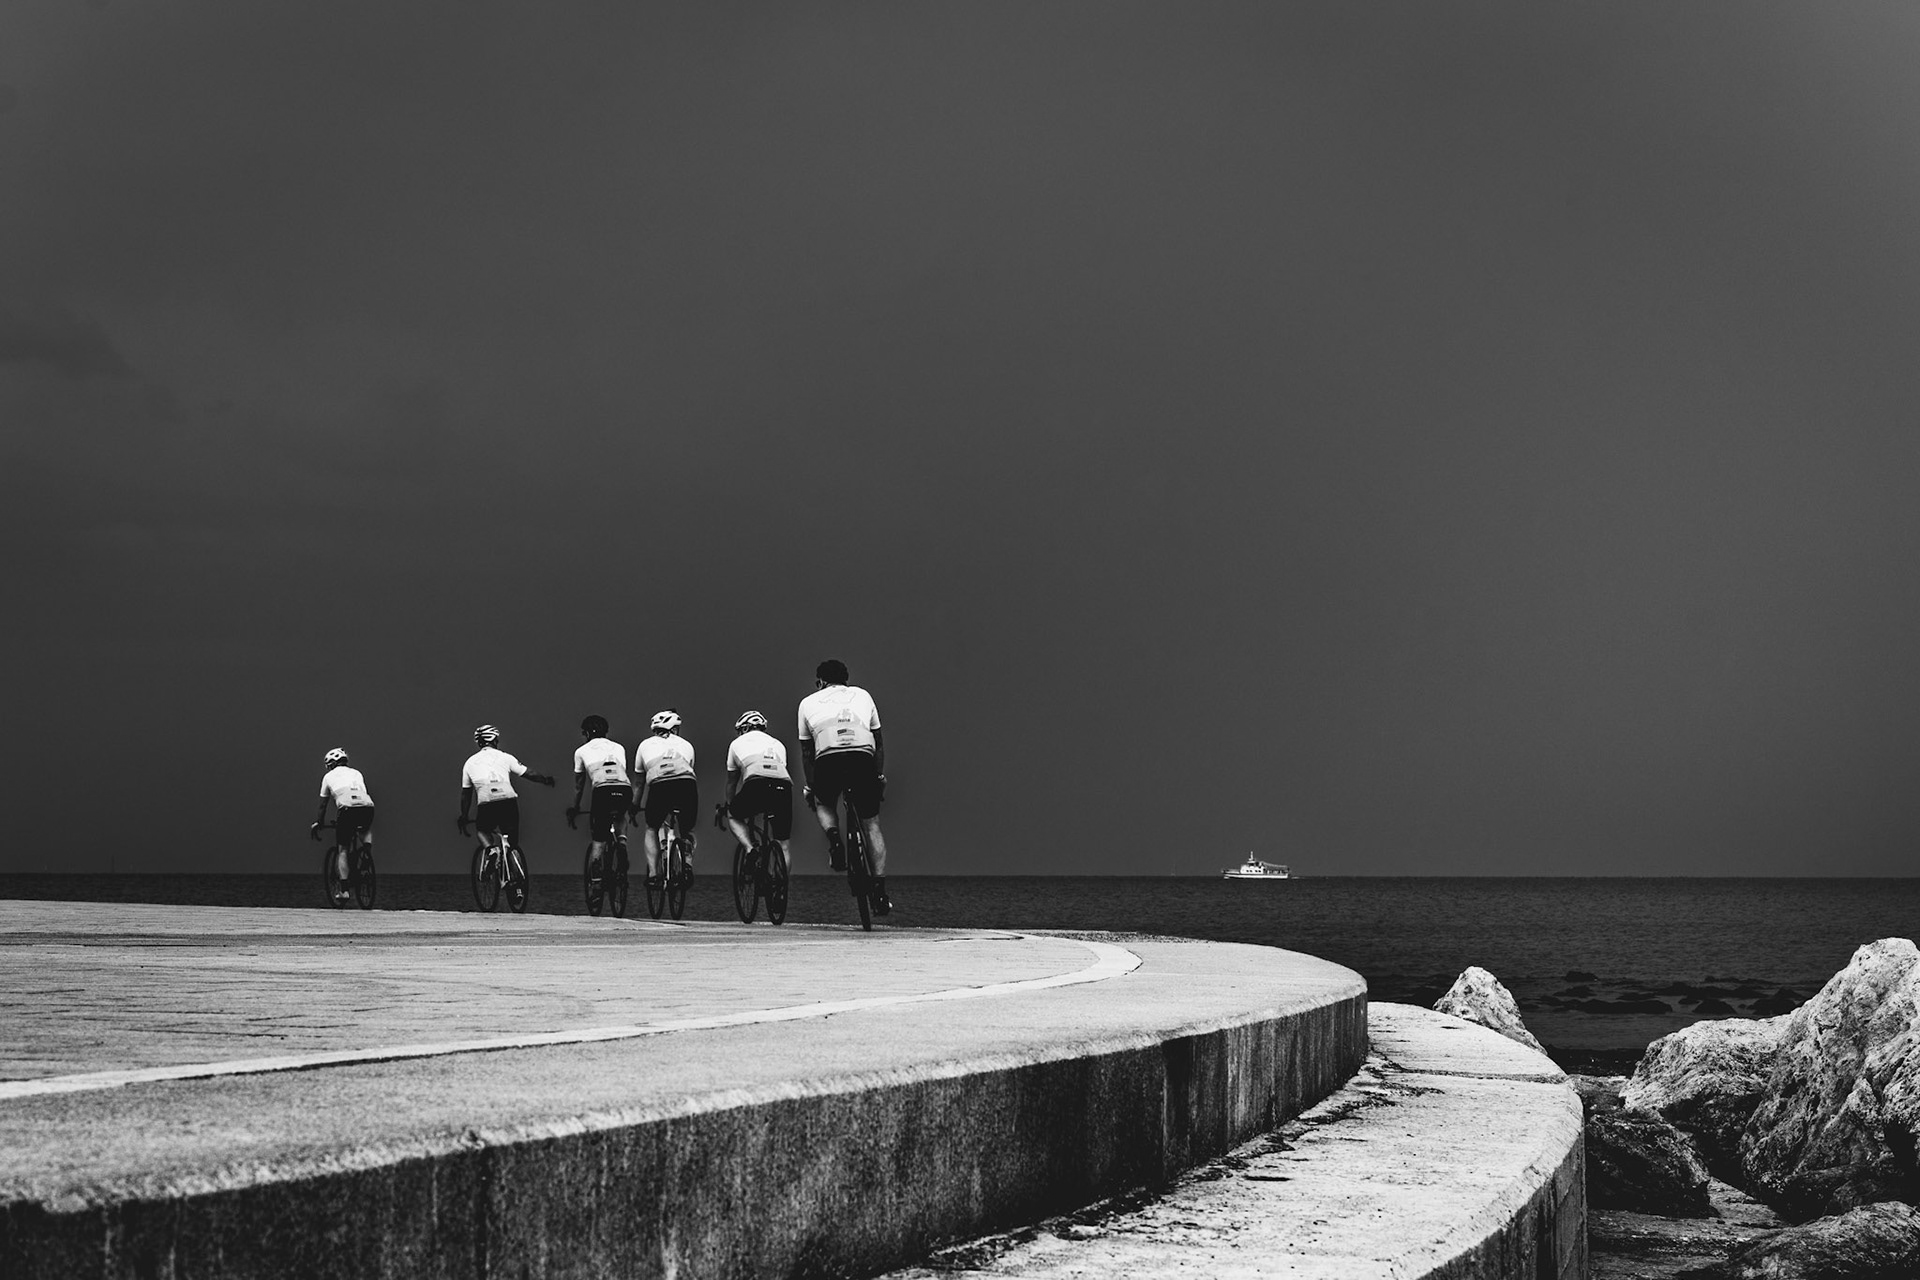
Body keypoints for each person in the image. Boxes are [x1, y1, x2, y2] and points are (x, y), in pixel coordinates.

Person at [797, 658, 892, 915]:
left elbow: (807, 753)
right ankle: (880, 892)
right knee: (871, 824)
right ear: (846, 680)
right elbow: (879, 742)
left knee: (823, 801)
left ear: (820, 682)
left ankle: (835, 840)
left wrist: (811, 786)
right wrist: (878, 775)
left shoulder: (807, 702)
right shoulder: (863, 695)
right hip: (863, 757)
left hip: (828, 758)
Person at [456, 724, 555, 851]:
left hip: (486, 802)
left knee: (482, 830)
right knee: (512, 842)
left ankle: (490, 850)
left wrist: (464, 815)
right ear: (495, 740)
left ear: (479, 743)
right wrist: (545, 780)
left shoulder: (469, 763)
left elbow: (466, 793)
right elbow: (528, 773)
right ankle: (512, 857)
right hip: (508, 801)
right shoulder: (505, 757)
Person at [723, 710, 793, 880]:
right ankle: (780, 888)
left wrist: (730, 804)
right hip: (783, 786)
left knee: (733, 814)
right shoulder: (778, 744)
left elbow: (732, 782)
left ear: (744, 729)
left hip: (756, 784)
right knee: (783, 843)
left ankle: (751, 849)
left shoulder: (737, 743)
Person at [634, 709, 698, 887]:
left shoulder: (645, 745)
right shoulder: (687, 745)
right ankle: (687, 866)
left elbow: (639, 783)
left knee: (651, 828)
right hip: (687, 785)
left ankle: (654, 875)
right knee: (688, 829)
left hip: (660, 786)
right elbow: (689, 769)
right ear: (675, 728)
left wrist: (635, 805)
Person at [569, 715, 633, 882]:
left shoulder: (581, 751)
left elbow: (579, 785)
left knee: (599, 834)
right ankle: (622, 844)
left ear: (587, 733)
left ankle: (596, 871)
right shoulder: (619, 747)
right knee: (620, 816)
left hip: (602, 790)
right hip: (624, 787)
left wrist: (575, 807)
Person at [311, 747, 374, 902]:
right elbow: (362, 793)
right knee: (364, 828)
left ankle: (344, 890)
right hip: (367, 805)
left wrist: (319, 823)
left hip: (346, 808)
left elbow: (322, 806)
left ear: (331, 764)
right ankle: (366, 853)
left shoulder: (328, 777)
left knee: (343, 849)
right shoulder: (357, 773)